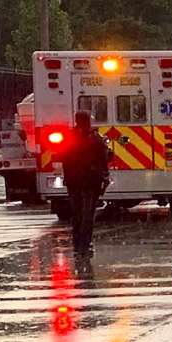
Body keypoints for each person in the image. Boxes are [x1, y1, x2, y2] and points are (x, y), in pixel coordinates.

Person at [61, 110, 110, 261]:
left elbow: (64, 159)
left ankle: (78, 245)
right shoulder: (95, 138)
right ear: (88, 121)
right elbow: (103, 159)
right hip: (91, 180)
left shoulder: (69, 138)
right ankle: (85, 244)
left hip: (74, 181)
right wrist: (105, 176)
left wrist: (67, 176)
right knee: (88, 214)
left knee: (77, 213)